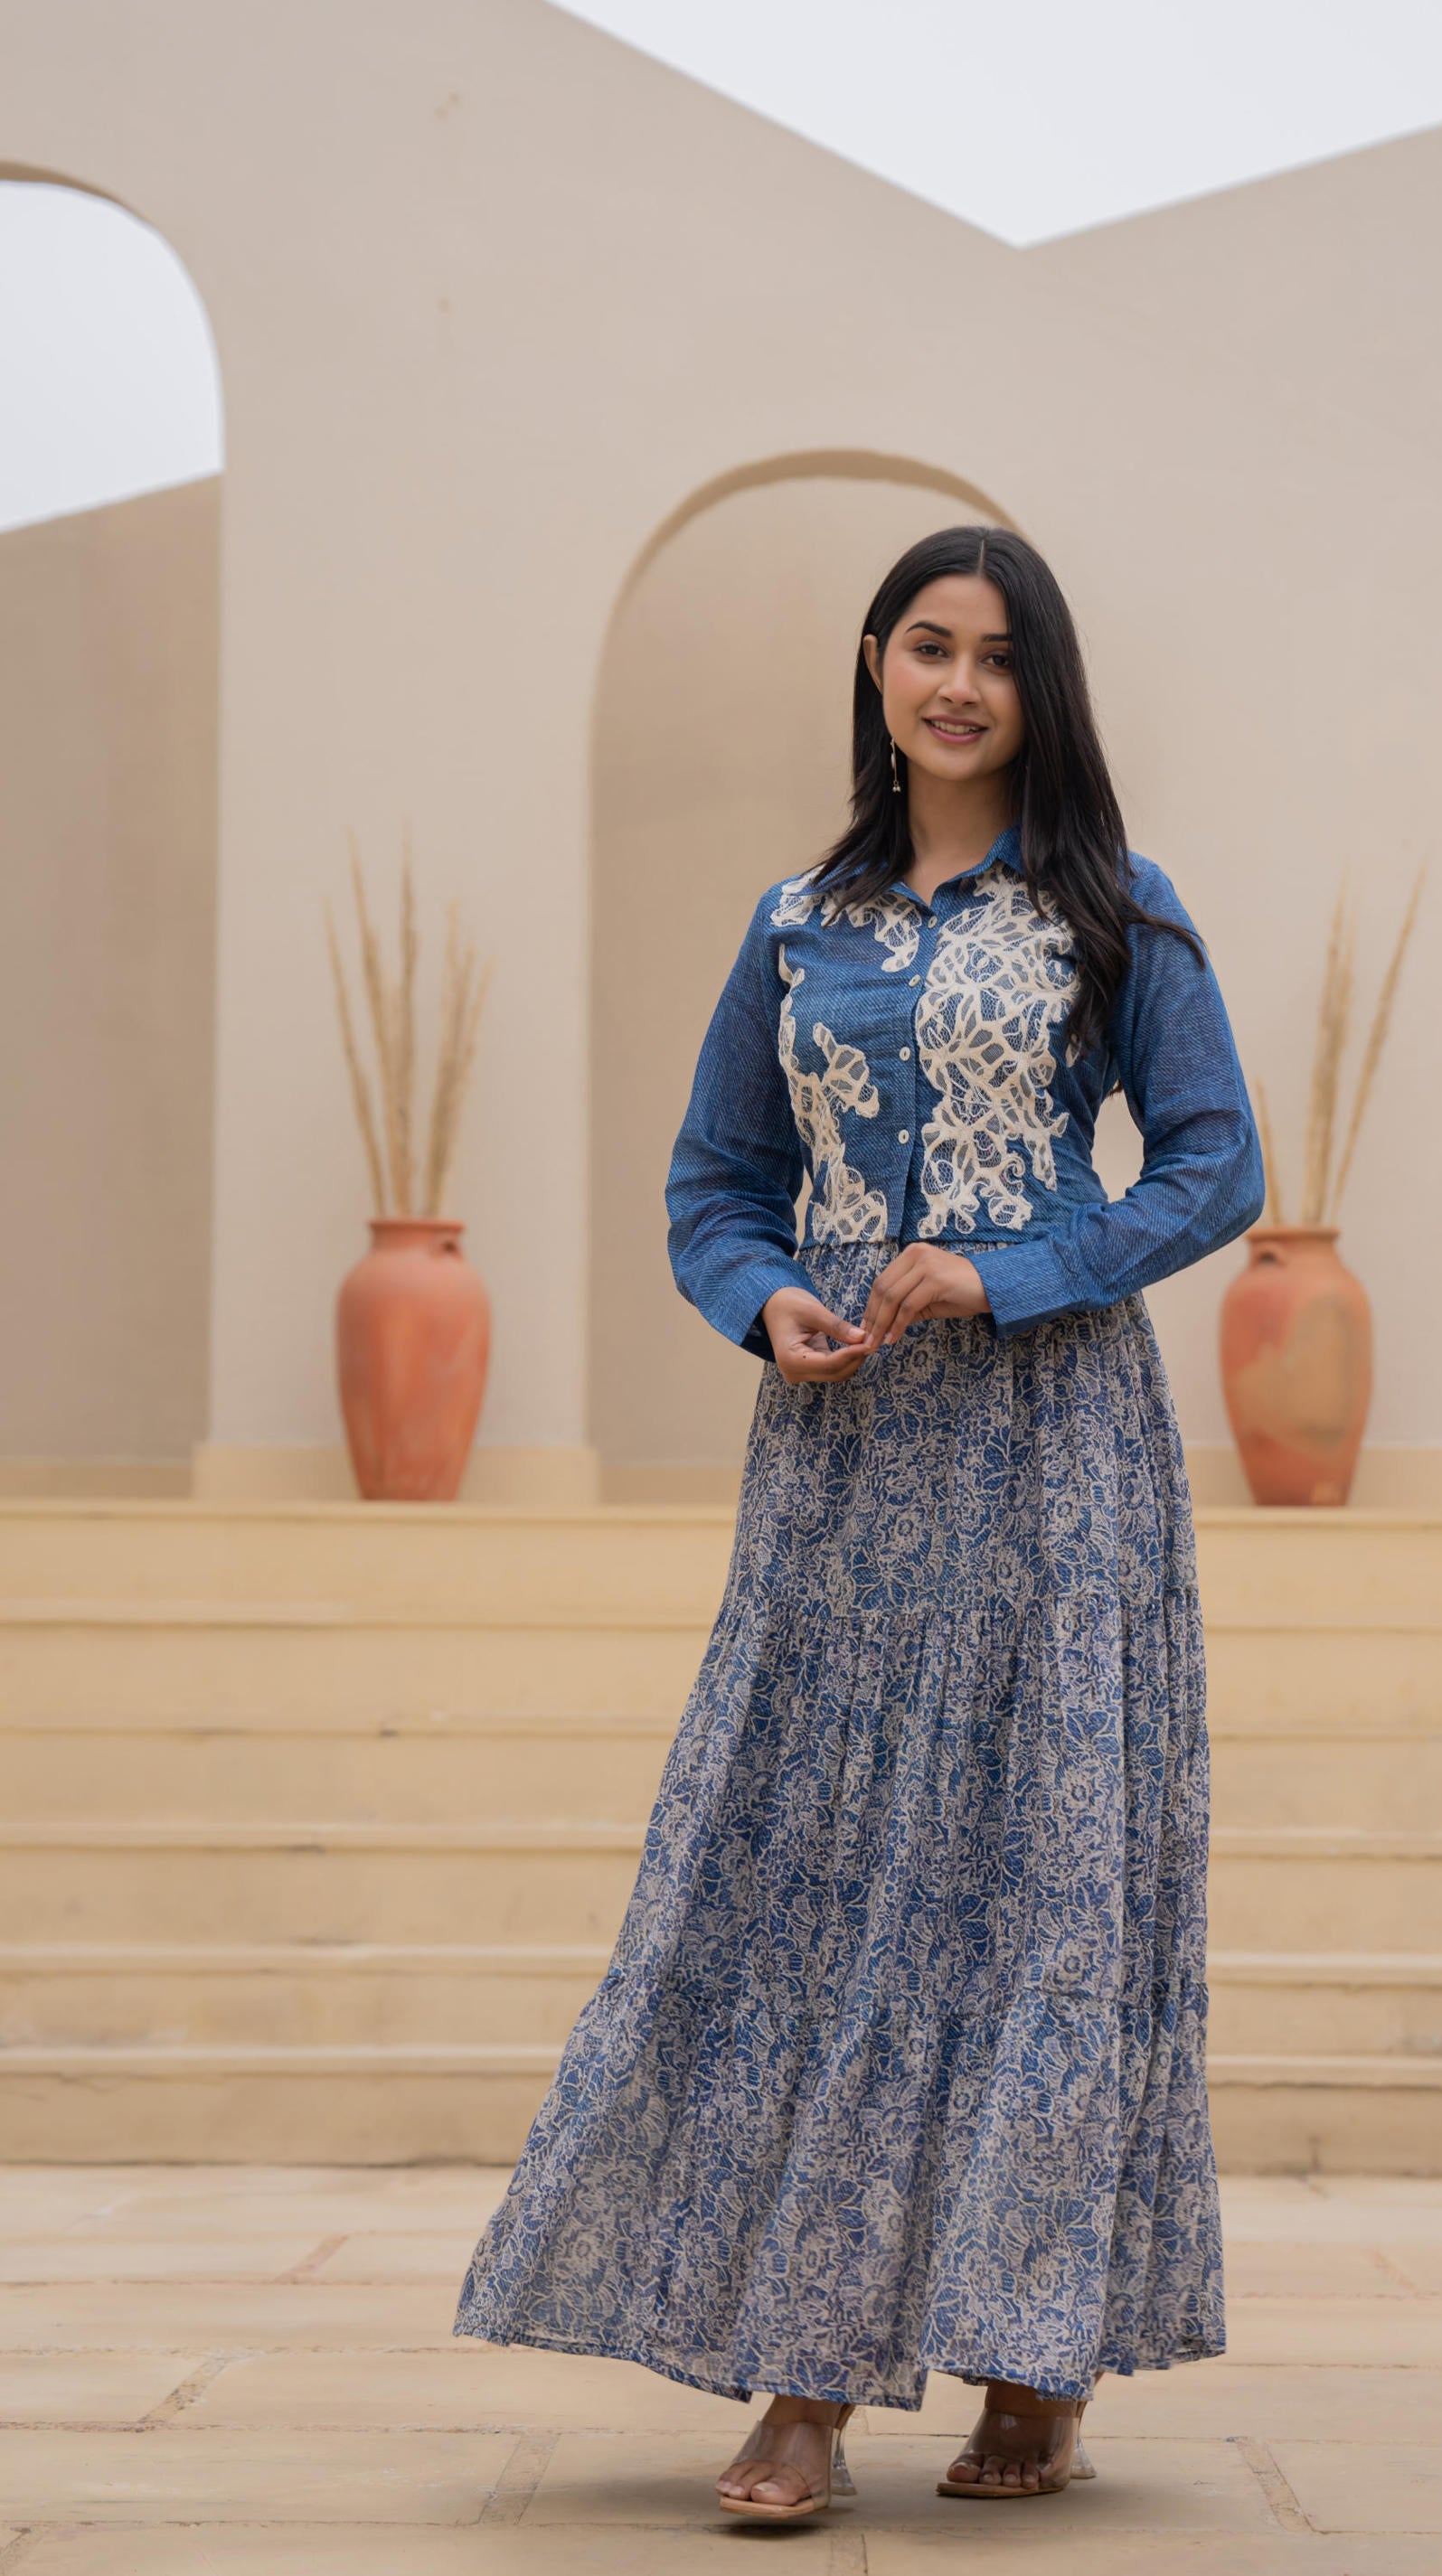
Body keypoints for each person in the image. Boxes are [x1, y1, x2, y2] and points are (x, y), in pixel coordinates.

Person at [455, 524, 1264, 2520]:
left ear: (1038, 688)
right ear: (877, 666)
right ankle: (798, 2380)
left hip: (1048, 1461)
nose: (958, 685)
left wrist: (1017, 1268)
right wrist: (760, 1299)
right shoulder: (796, 924)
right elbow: (712, 1180)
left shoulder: (1110, 909)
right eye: (927, 646)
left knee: (1037, 1881)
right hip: (836, 1476)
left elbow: (1215, 1161)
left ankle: (1028, 2352)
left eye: (997, 656)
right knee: (810, 1876)